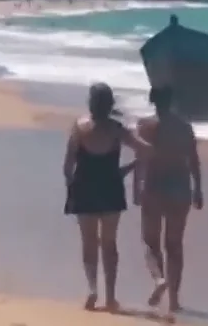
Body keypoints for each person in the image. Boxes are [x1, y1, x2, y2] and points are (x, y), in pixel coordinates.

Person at [62, 83, 150, 311]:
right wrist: (130, 168)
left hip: (84, 190)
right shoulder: (116, 129)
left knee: (89, 243)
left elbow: (68, 165)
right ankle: (110, 297)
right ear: (110, 104)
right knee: (109, 244)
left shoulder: (79, 127)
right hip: (110, 190)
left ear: (90, 102)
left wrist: (71, 188)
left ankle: (92, 289)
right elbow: (144, 149)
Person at [134, 86, 203, 312]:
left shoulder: (144, 126)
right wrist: (198, 189)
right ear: (172, 100)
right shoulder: (185, 128)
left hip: (153, 187)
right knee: (174, 246)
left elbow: (141, 158)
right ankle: (174, 300)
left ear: (152, 100)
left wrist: (136, 187)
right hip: (180, 189)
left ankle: (158, 280)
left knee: (150, 242)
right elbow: (193, 160)